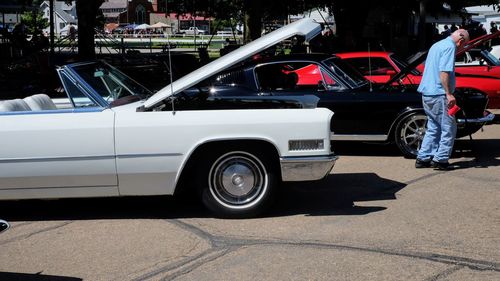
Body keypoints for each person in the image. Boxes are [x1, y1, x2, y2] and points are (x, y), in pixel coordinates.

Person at [415, 29, 470, 170]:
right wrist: (448, 93)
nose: (461, 48)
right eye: (463, 45)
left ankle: (423, 157)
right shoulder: (449, 47)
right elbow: (444, 71)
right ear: (461, 40)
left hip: (427, 92)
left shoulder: (437, 45)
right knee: (449, 128)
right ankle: (441, 160)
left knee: (434, 126)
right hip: (439, 94)